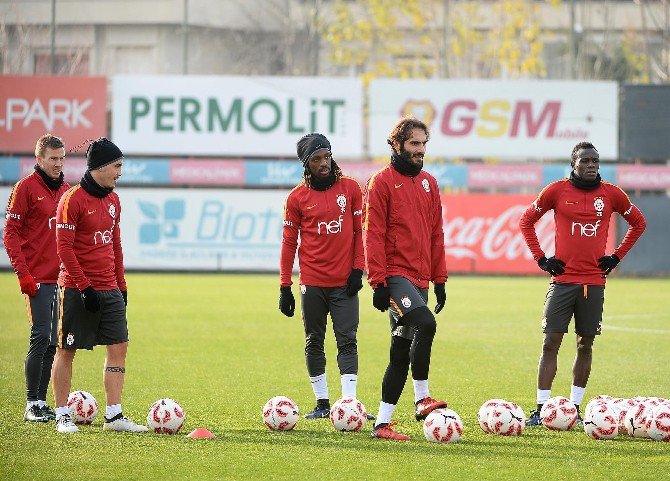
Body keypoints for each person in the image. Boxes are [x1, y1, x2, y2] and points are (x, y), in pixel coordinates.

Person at [519, 141, 646, 426]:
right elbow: (526, 221)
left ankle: (574, 408)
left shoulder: (612, 194)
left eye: (595, 161)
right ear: (573, 164)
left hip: (594, 283)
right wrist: (542, 259)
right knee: (550, 341)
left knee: (585, 344)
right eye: (586, 161)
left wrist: (616, 257)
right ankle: (541, 408)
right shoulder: (556, 190)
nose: (592, 165)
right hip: (562, 281)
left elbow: (639, 223)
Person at [51, 137, 147, 433]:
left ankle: (114, 416)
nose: (120, 172)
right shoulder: (72, 199)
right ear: (101, 166)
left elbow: (115, 245)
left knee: (119, 346)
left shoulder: (114, 200)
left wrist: (122, 285)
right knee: (67, 350)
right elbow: (64, 248)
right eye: (117, 166)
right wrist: (84, 286)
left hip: (110, 289)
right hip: (77, 289)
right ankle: (62, 414)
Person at [363, 116, 448, 441]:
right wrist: (378, 281)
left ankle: (382, 424)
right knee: (426, 324)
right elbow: (373, 234)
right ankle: (422, 397)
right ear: (396, 144)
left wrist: (439, 278)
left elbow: (436, 234)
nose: (420, 150)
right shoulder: (381, 182)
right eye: (414, 144)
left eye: (424, 144)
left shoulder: (429, 183)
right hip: (395, 276)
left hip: (422, 278)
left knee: (400, 350)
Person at [279, 132, 371, 419]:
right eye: (317, 159)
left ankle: (349, 403)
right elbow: (288, 243)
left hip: (344, 283)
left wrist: (358, 269)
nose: (324, 163)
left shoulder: (351, 189)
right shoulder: (297, 198)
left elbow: (359, 232)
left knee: (347, 340)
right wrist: (285, 285)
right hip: (313, 283)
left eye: (326, 156)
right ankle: (321, 404)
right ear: (307, 164)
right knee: (314, 340)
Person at [3, 134, 70, 423]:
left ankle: (42, 403)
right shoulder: (25, 188)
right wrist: (23, 274)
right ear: (39, 159)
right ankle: (32, 403)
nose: (58, 163)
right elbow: (10, 235)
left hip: (61, 280)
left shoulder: (67, 190)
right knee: (40, 336)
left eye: (62, 158)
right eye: (53, 158)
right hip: (37, 278)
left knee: (54, 342)